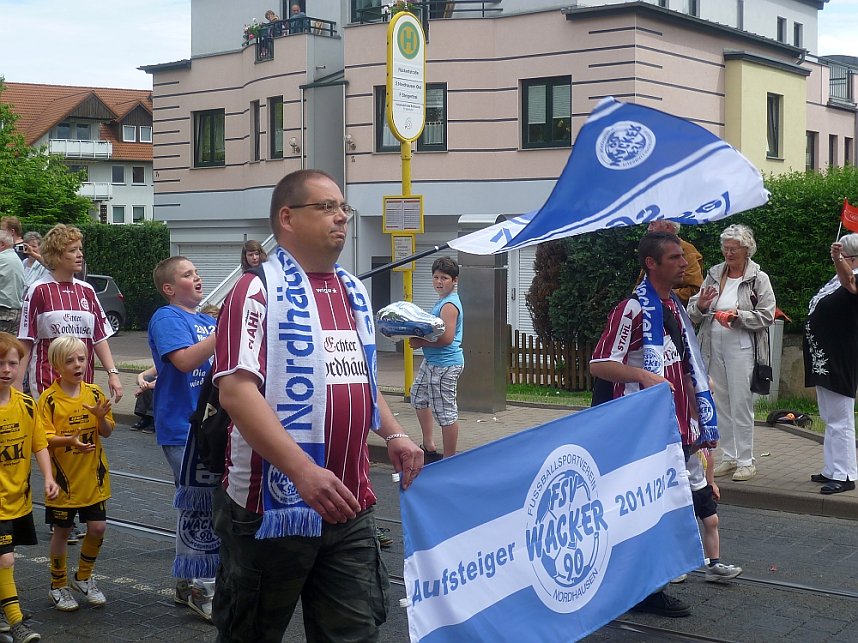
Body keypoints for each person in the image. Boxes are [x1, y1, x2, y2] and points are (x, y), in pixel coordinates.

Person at [212, 169, 424, 641]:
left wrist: (395, 434)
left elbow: (360, 378)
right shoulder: (255, 290)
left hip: (348, 505)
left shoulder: (353, 291)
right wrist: (302, 472)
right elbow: (236, 391)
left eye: (343, 208)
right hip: (269, 510)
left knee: (354, 633)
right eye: (326, 207)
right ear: (287, 218)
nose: (341, 218)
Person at [590, 231, 709, 618]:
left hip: (672, 426)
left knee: (664, 503)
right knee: (643, 506)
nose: (684, 263)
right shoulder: (632, 309)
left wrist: (696, 417)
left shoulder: (672, 307)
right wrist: (642, 377)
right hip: (639, 429)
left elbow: (685, 368)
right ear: (651, 264)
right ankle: (641, 586)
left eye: (682, 256)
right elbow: (600, 364)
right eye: (674, 257)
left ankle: (646, 580)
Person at [147, 256, 218, 621]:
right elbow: (185, 361)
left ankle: (188, 579)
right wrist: (225, 333)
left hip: (209, 427)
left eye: (197, 271)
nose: (198, 277)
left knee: (200, 504)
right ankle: (201, 587)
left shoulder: (207, 320)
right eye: (188, 274)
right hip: (182, 428)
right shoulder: (167, 317)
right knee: (202, 504)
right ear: (169, 288)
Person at [688, 224, 775, 482]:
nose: (728, 253)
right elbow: (694, 308)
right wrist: (701, 305)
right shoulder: (715, 274)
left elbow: (767, 315)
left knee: (740, 403)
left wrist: (739, 317)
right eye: (725, 248)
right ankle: (729, 456)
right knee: (720, 403)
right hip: (714, 342)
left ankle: (747, 461)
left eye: (733, 249)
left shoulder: (759, 278)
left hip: (742, 344)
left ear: (746, 250)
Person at [37, 336, 114, 613]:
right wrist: (69, 441)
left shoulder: (94, 394)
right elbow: (42, 439)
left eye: (82, 358)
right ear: (58, 365)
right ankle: (58, 585)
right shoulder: (48, 400)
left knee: (98, 528)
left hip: (94, 480)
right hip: (63, 483)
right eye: (70, 360)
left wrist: (100, 417)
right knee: (62, 532)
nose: (78, 364)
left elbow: (106, 431)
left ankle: (83, 576)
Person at [15, 224, 123, 404]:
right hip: (47, 382)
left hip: (82, 383)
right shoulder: (39, 290)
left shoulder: (87, 291)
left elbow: (98, 337)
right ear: (57, 256)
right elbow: (25, 341)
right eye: (73, 250)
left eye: (80, 249)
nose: (80, 254)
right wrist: (17, 384)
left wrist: (113, 374)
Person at [0, 332, 59, 643]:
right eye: (0, 363)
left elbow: (39, 444)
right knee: (5, 559)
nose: (6, 370)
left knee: (5, 559)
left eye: (12, 363)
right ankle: (15, 620)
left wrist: (48, 477)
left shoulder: (26, 404)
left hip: (18, 499)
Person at [802, 234, 858, 495]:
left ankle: (845, 473)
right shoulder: (836, 278)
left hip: (839, 356)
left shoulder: (853, 277)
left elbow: (850, 284)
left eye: (842, 256)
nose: (836, 260)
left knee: (840, 417)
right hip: (823, 358)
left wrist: (839, 260)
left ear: (852, 258)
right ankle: (831, 467)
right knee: (829, 415)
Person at [408, 256, 464, 462]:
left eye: (444, 278)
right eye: (436, 277)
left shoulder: (449, 305)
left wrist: (420, 342)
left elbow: (447, 339)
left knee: (445, 412)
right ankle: (428, 445)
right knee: (418, 396)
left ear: (454, 280)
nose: (439, 282)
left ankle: (449, 459)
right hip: (432, 362)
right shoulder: (442, 301)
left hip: (444, 364)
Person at [685, 449, 743, 581]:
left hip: (701, 485)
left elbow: (709, 456)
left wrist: (711, 482)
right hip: (683, 487)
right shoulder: (682, 432)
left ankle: (714, 564)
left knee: (712, 521)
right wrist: (698, 443)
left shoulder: (702, 429)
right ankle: (676, 567)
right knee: (684, 527)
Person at [642, 220, 704, 305]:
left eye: (653, 224)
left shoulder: (688, 250)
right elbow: (642, 281)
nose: (649, 228)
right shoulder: (651, 249)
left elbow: (695, 289)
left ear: (668, 227)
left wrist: (662, 295)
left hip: (673, 312)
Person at [0, 230, 24, 335]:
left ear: (2, 244)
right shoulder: (16, 258)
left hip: (3, 312)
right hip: (17, 313)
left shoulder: (2, 258)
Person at [131, 366, 156, 433]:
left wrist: (143, 387)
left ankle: (154, 419)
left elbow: (164, 382)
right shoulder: (162, 363)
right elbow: (141, 375)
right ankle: (146, 418)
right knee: (147, 378)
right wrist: (141, 381)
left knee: (159, 389)